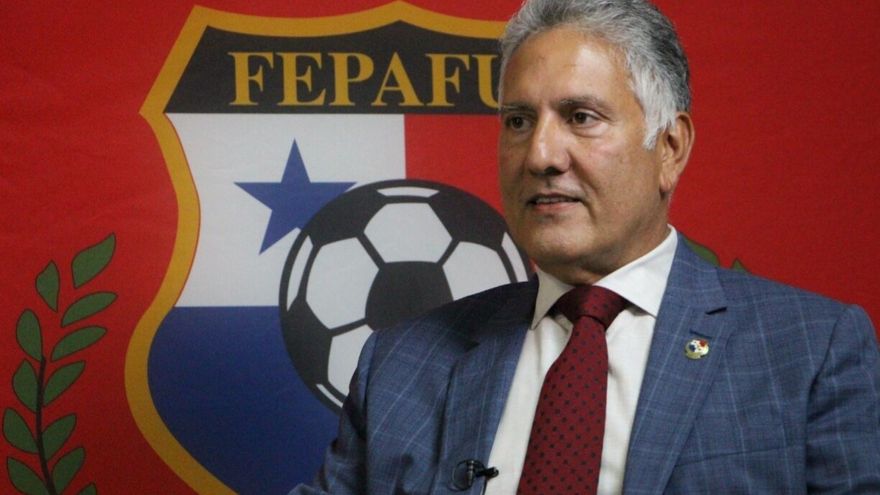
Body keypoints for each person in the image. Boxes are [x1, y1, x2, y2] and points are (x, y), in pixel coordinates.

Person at [292, 0, 880, 493]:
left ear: (670, 147)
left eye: (580, 117)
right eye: (518, 121)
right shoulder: (400, 364)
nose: (541, 155)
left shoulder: (810, 351)